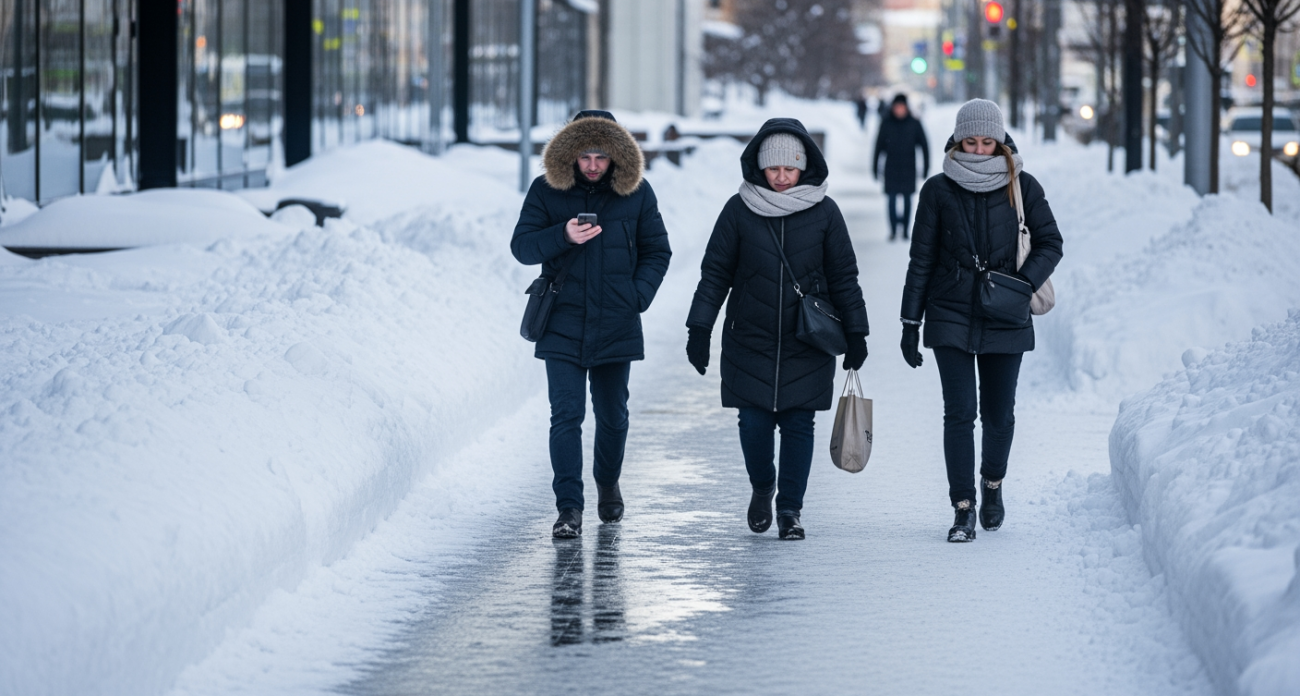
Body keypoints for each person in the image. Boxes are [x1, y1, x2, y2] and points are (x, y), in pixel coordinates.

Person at [686, 119, 869, 541]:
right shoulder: (738, 210)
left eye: (790, 169)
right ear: (759, 167)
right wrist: (699, 328)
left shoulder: (825, 212)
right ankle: (763, 485)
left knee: (799, 425)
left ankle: (790, 510)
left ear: (804, 167)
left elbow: (844, 277)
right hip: (749, 337)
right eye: (773, 169)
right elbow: (715, 274)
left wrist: (856, 332)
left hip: (808, 338)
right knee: (752, 424)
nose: (782, 177)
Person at [899, 99, 1063, 543]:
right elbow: (921, 260)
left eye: (986, 142)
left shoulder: (1022, 185)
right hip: (949, 312)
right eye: (969, 142)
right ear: (957, 141)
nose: (977, 150)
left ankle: (992, 484)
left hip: (1006, 314)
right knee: (959, 413)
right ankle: (963, 507)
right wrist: (910, 322)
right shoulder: (937, 190)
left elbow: (1050, 242)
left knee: (999, 415)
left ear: (1000, 142)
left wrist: (1020, 285)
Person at [511, 110, 672, 539]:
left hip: (617, 320)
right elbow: (522, 247)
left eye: (602, 156)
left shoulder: (637, 193)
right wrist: (562, 235)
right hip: (561, 320)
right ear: (571, 154)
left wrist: (637, 296)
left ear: (617, 154)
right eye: (585, 156)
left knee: (613, 416)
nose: (594, 165)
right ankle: (569, 508)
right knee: (566, 415)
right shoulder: (546, 190)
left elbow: (658, 250)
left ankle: (607, 481)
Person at [872, 93, 930, 241]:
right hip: (891, 168)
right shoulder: (886, 123)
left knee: (907, 199)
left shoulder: (914, 123)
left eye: (901, 107)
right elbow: (878, 146)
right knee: (891, 199)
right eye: (897, 107)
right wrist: (874, 167)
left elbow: (924, 146)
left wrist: (926, 167)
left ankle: (904, 230)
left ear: (906, 107)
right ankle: (892, 230)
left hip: (908, 168)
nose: (899, 110)